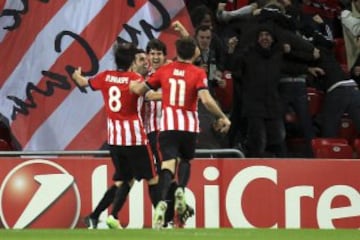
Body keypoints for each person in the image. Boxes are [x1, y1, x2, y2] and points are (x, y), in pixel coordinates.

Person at [130, 36, 231, 229]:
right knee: (185, 161)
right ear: (193, 52)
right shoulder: (198, 72)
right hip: (189, 127)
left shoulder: (165, 71)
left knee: (167, 166)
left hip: (167, 127)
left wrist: (133, 86)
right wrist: (223, 117)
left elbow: (143, 90)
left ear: (175, 52)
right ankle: (181, 191)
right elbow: (207, 100)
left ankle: (161, 203)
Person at [72, 43, 159, 229]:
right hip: (135, 138)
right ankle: (164, 222)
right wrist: (173, 95)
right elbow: (147, 94)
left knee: (124, 179)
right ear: (131, 62)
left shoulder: (105, 77)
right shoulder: (134, 78)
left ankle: (97, 216)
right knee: (152, 178)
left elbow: (81, 82)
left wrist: (76, 74)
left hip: (114, 140)